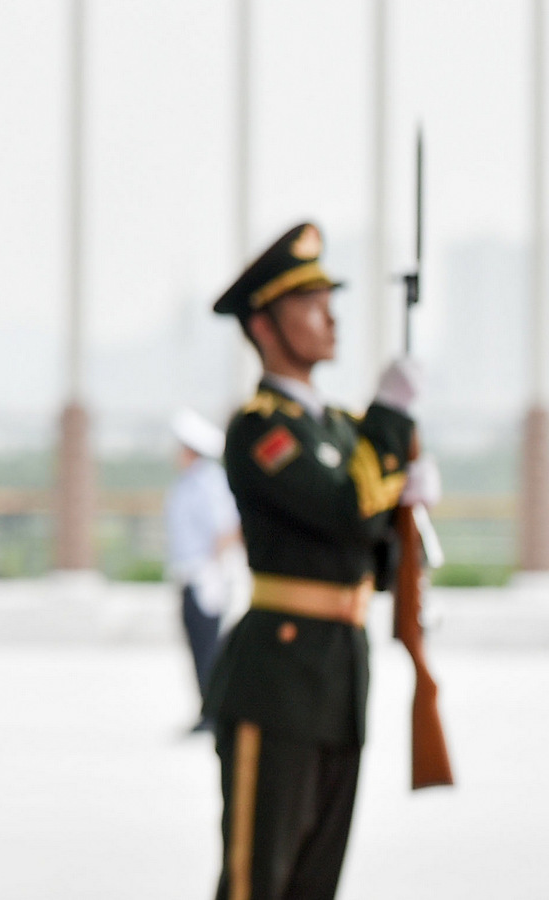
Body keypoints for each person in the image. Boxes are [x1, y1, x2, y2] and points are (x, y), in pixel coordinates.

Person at [203, 222, 436, 900]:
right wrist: (390, 420)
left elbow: (373, 551)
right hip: (277, 679)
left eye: (328, 301)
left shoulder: (338, 427)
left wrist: (410, 509)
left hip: (340, 677)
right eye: (308, 303)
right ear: (263, 325)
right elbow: (346, 509)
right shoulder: (260, 428)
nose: (330, 317)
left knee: (315, 885)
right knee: (256, 882)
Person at [164, 408, 244, 733]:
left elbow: (226, 529)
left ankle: (215, 712)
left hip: (205, 575)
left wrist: (213, 568)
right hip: (188, 574)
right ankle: (207, 709)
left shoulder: (209, 483)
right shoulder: (188, 483)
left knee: (209, 647)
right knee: (198, 646)